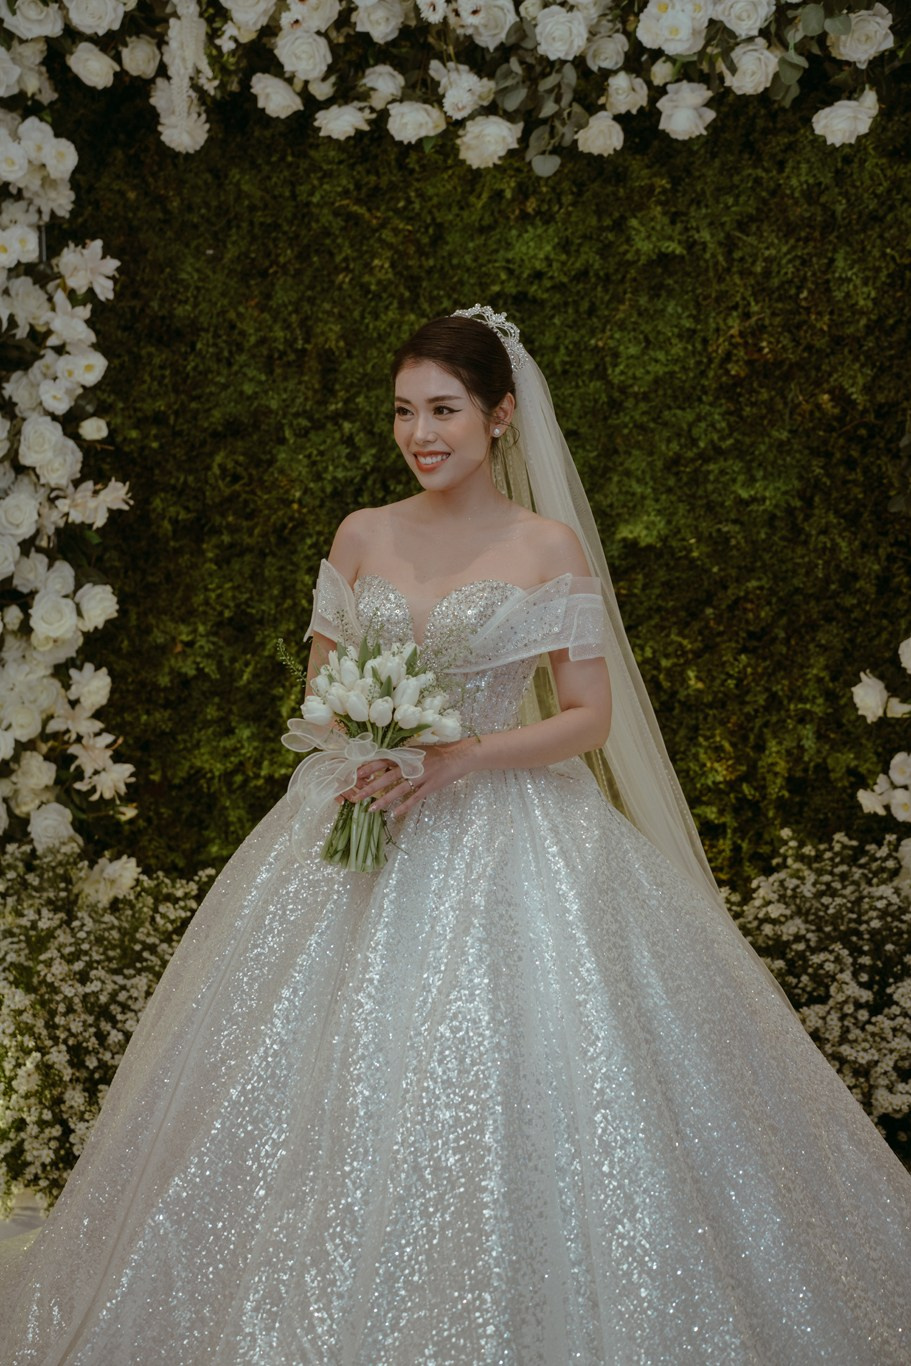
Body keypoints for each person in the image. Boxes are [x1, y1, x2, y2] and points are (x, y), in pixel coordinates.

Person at [1, 306, 910, 1365]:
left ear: (499, 415)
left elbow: (588, 717)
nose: (419, 434)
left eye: (442, 410)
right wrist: (366, 745)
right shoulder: (361, 532)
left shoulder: (545, 547)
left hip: (504, 825)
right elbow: (319, 695)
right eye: (403, 411)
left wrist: (458, 755)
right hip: (360, 808)